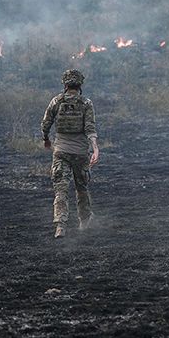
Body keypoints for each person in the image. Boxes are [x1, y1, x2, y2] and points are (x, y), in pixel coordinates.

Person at [42, 68, 100, 238]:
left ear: (65, 84)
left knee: (61, 190)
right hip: (80, 153)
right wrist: (95, 148)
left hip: (61, 152)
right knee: (81, 188)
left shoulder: (56, 102)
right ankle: (84, 221)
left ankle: (60, 226)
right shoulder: (86, 103)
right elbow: (90, 128)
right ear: (80, 84)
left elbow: (46, 123)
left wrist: (46, 139)